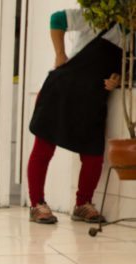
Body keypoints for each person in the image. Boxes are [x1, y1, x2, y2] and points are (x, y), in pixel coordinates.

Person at [27, 8, 122, 224]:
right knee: (43, 150)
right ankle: (37, 204)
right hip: (62, 90)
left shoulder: (130, 37)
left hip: (92, 98)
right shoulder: (96, 17)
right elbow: (57, 19)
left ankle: (83, 204)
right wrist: (60, 54)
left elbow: (125, 69)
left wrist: (117, 78)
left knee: (93, 154)